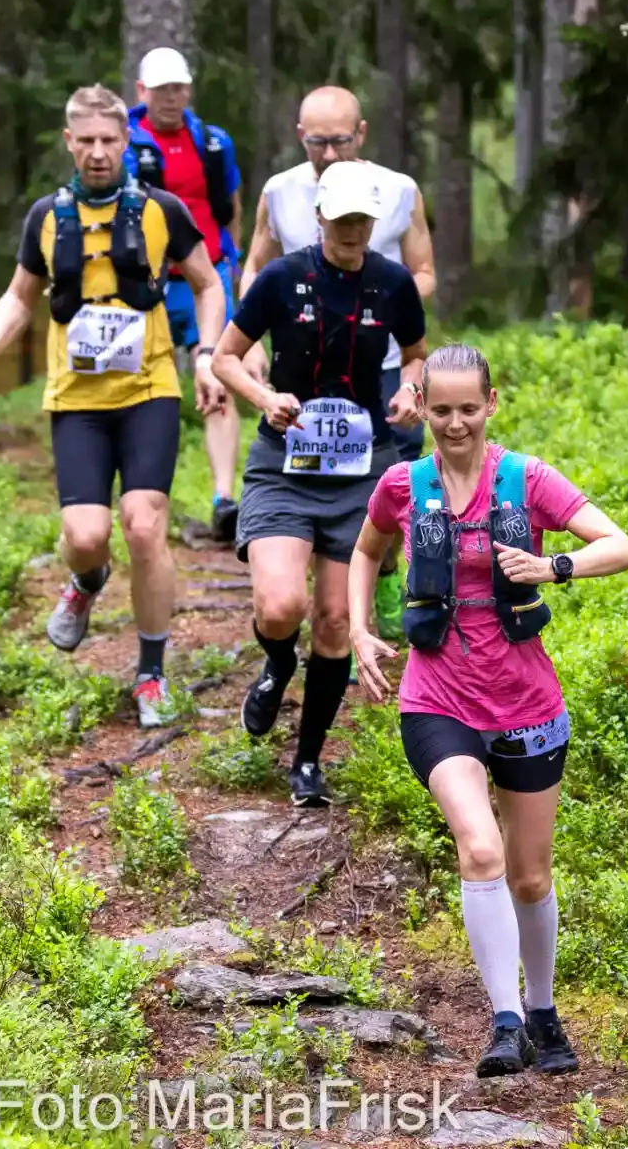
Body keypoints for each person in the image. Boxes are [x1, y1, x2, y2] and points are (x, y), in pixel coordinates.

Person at [347, 343, 628, 1078]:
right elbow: (364, 552)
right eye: (440, 409)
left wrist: (553, 566)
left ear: (491, 404)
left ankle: (543, 1011)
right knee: (480, 849)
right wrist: (358, 629)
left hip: (525, 700)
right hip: (436, 697)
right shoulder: (402, 484)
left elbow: (623, 546)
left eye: (467, 409)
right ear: (421, 402)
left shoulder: (527, 479)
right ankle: (505, 1020)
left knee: (531, 877)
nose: (453, 424)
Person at [0, 84, 228, 728]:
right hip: (76, 398)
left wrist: (208, 352)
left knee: (144, 524)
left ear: (125, 142)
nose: (101, 153)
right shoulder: (46, 217)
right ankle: (84, 581)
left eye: (112, 141)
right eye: (89, 142)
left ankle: (151, 674)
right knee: (87, 537)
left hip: (148, 390)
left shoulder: (161, 210)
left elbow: (211, 282)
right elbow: (20, 297)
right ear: (70, 142)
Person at [210, 161, 426, 808]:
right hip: (286, 463)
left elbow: (415, 353)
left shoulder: (393, 285)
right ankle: (277, 664)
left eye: (364, 220)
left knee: (335, 619)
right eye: (343, 220)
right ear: (321, 219)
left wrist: (412, 389)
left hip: (362, 469)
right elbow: (225, 357)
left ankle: (307, 761)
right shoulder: (281, 278)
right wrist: (263, 395)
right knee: (282, 608)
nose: (354, 232)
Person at [242, 86, 436, 643]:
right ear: (299, 134)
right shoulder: (280, 190)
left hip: (383, 358)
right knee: (311, 476)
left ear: (363, 133)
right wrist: (254, 341)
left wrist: (374, 297)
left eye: (340, 141)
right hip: (305, 363)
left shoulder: (399, 191)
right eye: (316, 141)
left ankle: (382, 582)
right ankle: (333, 609)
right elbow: (257, 268)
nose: (327, 153)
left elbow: (423, 270)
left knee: (392, 482)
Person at [125, 47, 245, 545]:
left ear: (189, 90)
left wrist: (231, 262)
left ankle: (223, 498)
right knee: (141, 387)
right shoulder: (125, 143)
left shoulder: (213, 142)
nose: (171, 98)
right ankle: (141, 495)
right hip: (147, 284)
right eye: (161, 89)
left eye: (178, 88)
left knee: (218, 375)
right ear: (142, 92)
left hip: (207, 279)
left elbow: (229, 203)